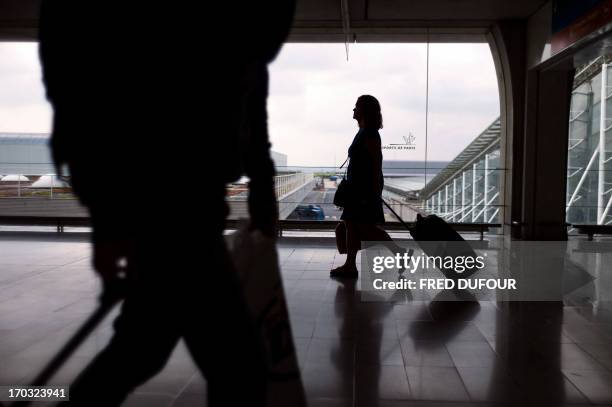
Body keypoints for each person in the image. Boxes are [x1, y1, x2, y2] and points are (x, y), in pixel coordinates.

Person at [38, 1, 295, 406]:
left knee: (145, 349)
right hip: (174, 208)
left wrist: (262, 181)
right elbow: (87, 101)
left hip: (184, 206)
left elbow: (250, 89)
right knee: (234, 367)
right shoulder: (209, 39)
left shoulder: (236, 45)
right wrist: (109, 223)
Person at [331, 95, 403, 278]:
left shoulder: (369, 133)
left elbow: (377, 161)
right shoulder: (364, 131)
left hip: (363, 188)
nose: (353, 110)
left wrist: (373, 189)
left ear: (364, 110)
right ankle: (351, 265)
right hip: (359, 187)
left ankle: (396, 253)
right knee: (353, 225)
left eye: (356, 106)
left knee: (360, 225)